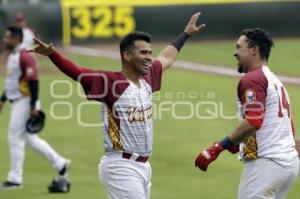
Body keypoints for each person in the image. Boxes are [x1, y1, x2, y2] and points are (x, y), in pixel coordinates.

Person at [28, 12, 205, 199]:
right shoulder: (110, 83)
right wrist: (52, 54)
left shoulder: (148, 77)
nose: (149, 58)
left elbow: (166, 57)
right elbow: (77, 72)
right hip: (120, 167)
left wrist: (185, 34)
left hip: (144, 167)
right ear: (127, 55)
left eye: (150, 53)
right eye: (143, 52)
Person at [194, 28, 299, 199]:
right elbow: (287, 124)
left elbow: (254, 121)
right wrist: (239, 143)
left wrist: (218, 147)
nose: (235, 53)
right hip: (288, 166)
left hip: (266, 165)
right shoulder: (273, 79)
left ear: (254, 50)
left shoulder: (253, 79)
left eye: (238, 47)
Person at [0, 26, 70, 189]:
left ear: (17, 39)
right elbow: (12, 82)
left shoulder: (25, 56)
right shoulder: (13, 55)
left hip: (25, 101)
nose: (5, 40)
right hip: (18, 100)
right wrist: (3, 99)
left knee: (14, 138)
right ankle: (60, 164)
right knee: (30, 140)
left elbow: (34, 81)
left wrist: (32, 106)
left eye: (8, 37)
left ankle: (15, 179)